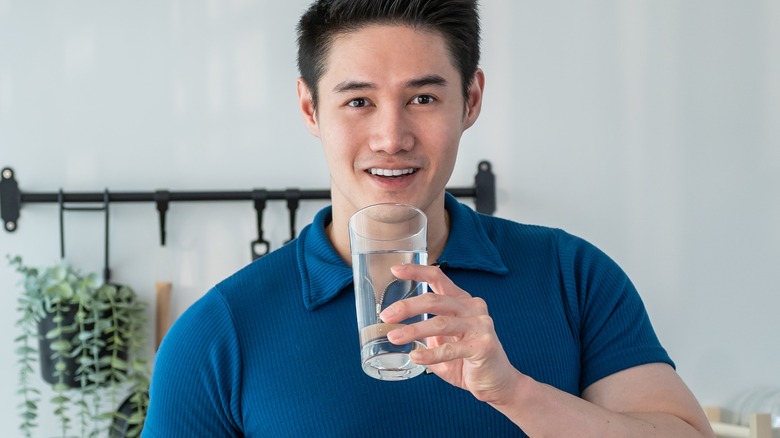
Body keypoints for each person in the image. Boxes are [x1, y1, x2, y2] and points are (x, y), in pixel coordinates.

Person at [143, 0, 715, 436]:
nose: (391, 138)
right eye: (358, 101)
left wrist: (515, 392)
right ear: (309, 108)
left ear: (470, 100)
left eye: (423, 98)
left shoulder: (573, 275)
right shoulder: (219, 332)